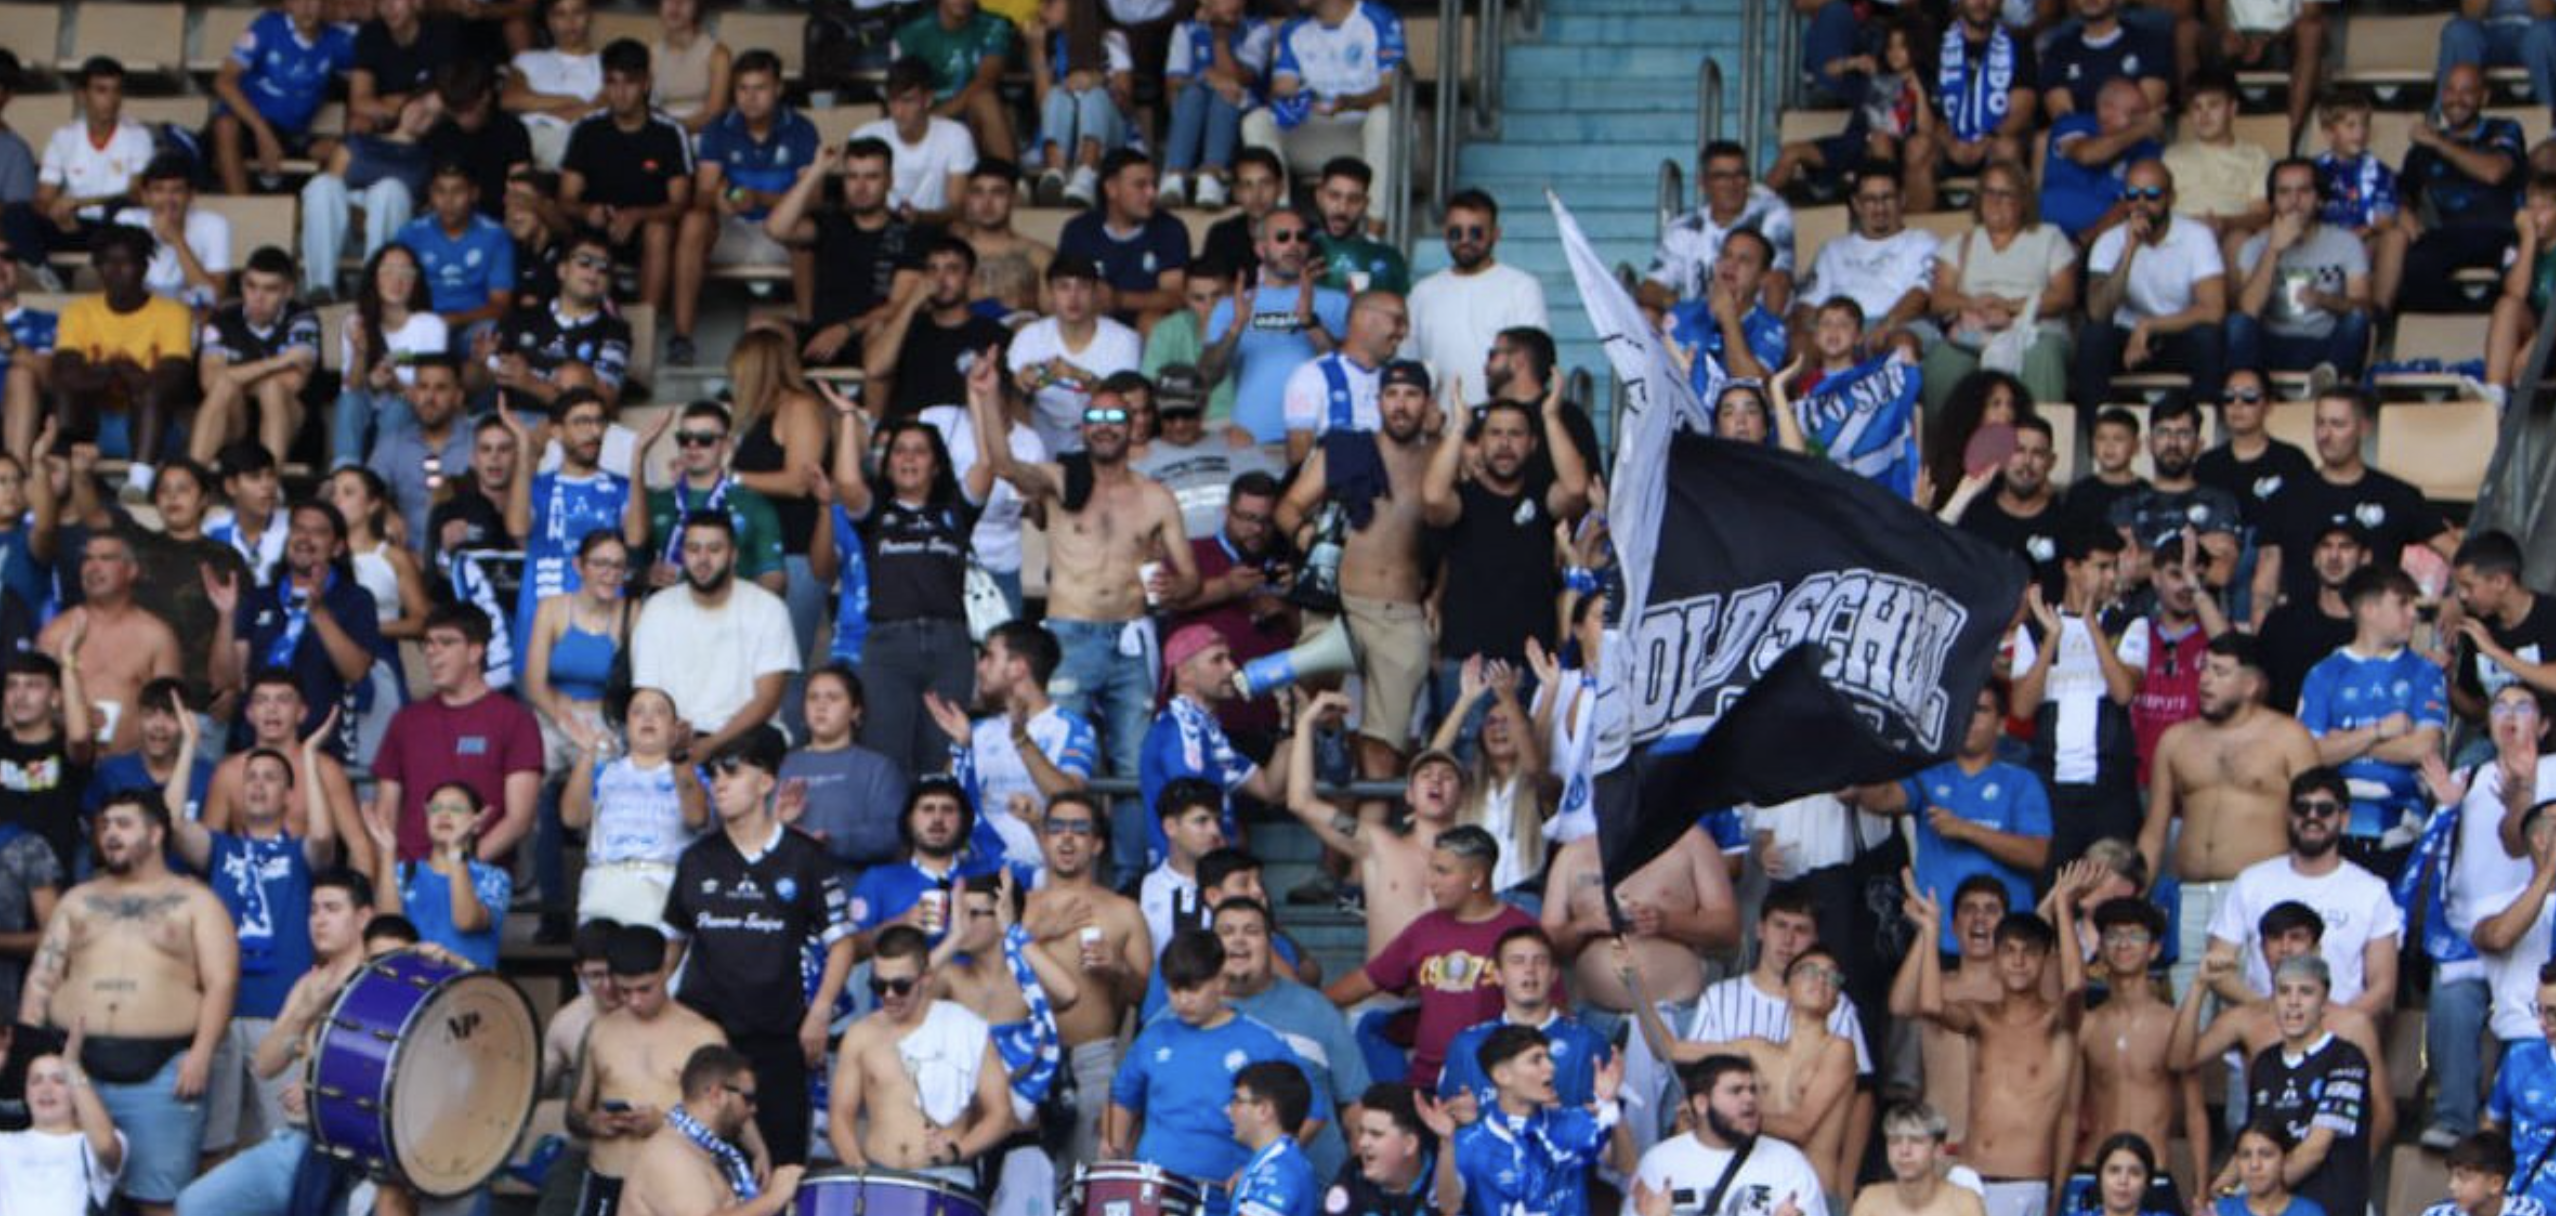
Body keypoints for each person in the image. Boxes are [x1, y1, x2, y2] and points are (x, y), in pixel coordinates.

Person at [16, 792, 238, 1216]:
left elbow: (221, 981)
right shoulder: (78, 900)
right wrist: (31, 1056)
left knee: (158, 1201)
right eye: (105, 827)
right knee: (63, 1194)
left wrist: (202, 1052)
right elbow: (42, 977)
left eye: (123, 824)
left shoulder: (196, 901)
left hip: (164, 1070)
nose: (111, 835)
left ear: (156, 834)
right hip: (75, 1064)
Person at [663, 726, 852, 1166]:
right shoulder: (697, 860)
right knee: (697, 1169)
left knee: (782, 1168)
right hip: (705, 1044)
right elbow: (671, 946)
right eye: (712, 773)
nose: (719, 782)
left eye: (732, 770)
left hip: (779, 1040)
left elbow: (841, 943)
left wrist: (820, 1011)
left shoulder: (804, 857)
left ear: (766, 782)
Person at [162, 704, 336, 1159]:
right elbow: (173, 824)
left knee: (284, 1141)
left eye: (271, 778)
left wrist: (311, 758)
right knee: (213, 1143)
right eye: (250, 777)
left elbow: (324, 837)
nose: (258, 784)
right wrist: (188, 748)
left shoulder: (301, 855)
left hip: (279, 1013)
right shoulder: (219, 849)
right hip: (219, 1012)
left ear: (288, 797)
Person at [2137, 633, 2321, 989]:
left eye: (2220, 672)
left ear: (2250, 684)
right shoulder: (2175, 740)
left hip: (2260, 896)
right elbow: (2154, 831)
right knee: (2187, 1001)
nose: (2205, 679)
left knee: (2255, 1005)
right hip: (2188, 895)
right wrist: (2136, 897)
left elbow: (2312, 824)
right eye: (2204, 669)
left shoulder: (2288, 737)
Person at [827, 391, 990, 777]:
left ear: (936, 465)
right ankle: (892, 840)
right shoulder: (875, 513)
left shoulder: (955, 510)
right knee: (886, 757)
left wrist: (980, 401)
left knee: (944, 756)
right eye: (900, 451)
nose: (909, 458)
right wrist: (850, 419)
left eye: (920, 451)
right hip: (887, 646)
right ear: (887, 464)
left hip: (949, 644)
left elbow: (987, 465)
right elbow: (847, 481)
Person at [1108, 930, 1327, 1216]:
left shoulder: (1261, 1041)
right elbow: (1124, 1097)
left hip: (1222, 1197)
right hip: (1153, 1195)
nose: (1184, 999)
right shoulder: (1153, 1037)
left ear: (1221, 980)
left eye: (1194, 988)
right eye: (1175, 989)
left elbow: (1313, 1111)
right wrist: (1116, 1152)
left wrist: (1259, 1168)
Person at [1625, 938, 1852, 1192]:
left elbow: (1800, 1128)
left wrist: (1717, 1113)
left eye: (1832, 977)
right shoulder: (1756, 1050)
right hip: (1763, 1190)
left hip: (1813, 1192)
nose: (1821, 980)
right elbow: (1669, 1049)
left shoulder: (1838, 1048)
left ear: (1836, 999)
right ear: (1786, 988)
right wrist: (1633, 982)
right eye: (1809, 971)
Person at [1911, 890, 2081, 1216]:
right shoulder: (1980, 1016)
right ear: (1995, 958)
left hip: (2021, 1180)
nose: (2018, 961)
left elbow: (2075, 987)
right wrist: (1931, 930)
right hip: (1966, 1176)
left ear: (2046, 959)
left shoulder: (2057, 1023)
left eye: (2029, 952)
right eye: (2008, 951)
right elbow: (1930, 1005)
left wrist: (2063, 909)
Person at [1324, 825, 1534, 1088]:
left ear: (1477, 877)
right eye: (1431, 869)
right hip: (1426, 1083)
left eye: (1442, 872)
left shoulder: (1521, 931)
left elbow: (1549, 1012)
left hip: (1495, 1085)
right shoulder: (1425, 928)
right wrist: (1307, 1004)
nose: (1430, 881)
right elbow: (1367, 979)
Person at [1846, 685, 2051, 946]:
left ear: (2002, 724)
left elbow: (2036, 854)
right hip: (1938, 938)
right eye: (1962, 709)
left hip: (2007, 945)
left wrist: (1966, 829)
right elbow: (1882, 798)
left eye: (1980, 709)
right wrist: (1860, 755)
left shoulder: (2022, 782)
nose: (1968, 718)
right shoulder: (1929, 774)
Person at [1019, 788, 1153, 1164]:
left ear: (1096, 844)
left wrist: (1117, 968)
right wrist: (1039, 932)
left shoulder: (1124, 911)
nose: (1066, 837)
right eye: (1057, 827)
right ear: (1043, 839)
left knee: (1092, 1179)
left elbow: (1145, 997)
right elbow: (988, 977)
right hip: (1023, 1056)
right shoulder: (1016, 906)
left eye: (1079, 829)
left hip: (1094, 1059)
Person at [2201, 767, 2403, 1014]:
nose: (2312, 816)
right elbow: (2218, 966)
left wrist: (2328, 1029)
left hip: (2338, 1040)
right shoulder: (2251, 881)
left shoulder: (2372, 892)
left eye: (2325, 809)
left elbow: (2383, 988)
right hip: (2260, 1033)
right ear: (2289, 816)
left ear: (2345, 819)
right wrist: (2271, 1012)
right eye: (2302, 808)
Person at [827, 923, 1015, 1180]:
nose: (889, 994)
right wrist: (859, 1171)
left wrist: (958, 1151)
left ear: (925, 978)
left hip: (946, 1176)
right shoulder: (860, 1034)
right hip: (877, 1175)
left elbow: (1001, 1114)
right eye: (879, 985)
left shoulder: (965, 1026)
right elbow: (840, 1116)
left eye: (900, 985)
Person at [1283, 693, 1466, 953]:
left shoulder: (1474, 857)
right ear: (1409, 794)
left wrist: (1466, 699)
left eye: (1447, 776)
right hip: (1384, 992)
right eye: (1426, 775)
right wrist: (1305, 724)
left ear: (1462, 797)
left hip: (1449, 989)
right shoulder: (1375, 844)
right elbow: (1302, 802)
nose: (1436, 780)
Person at [574, 923, 735, 1216]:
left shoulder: (704, 1035)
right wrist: (592, 1122)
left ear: (665, 970)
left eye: (644, 989)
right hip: (607, 1175)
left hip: (675, 1186)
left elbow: (729, 1119)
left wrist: (665, 1124)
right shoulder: (600, 1031)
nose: (635, 1000)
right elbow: (574, 1113)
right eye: (625, 991)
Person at [668, 52, 816, 368]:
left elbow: (812, 198)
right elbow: (703, 193)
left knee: (804, 228)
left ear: (778, 88)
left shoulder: (801, 128)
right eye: (742, 89)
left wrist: (760, 199)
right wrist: (721, 197)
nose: (750, 98)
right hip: (732, 229)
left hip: (780, 235)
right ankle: (682, 337)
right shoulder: (719, 127)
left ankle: (808, 331)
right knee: (694, 220)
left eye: (760, 88)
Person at [2296, 564, 2447, 873]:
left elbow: (2422, 749)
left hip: (2402, 832)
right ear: (2369, 609)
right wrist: (2379, 730)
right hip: (2332, 831)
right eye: (2402, 603)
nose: (2413, 615)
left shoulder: (2425, 672)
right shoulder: (2323, 673)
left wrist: (2347, 741)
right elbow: (2309, 755)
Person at [2010, 530, 2141, 874]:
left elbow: (2124, 692)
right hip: (2051, 787)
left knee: (2112, 888)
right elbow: (2022, 707)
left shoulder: (2129, 623)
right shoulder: (2036, 628)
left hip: (2110, 787)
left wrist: (2092, 626)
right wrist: (2052, 639)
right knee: (2052, 886)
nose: (2110, 576)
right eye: (2101, 566)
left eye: (2114, 567)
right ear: (2071, 567)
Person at [371, 603, 543, 862]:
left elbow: (519, 819)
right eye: (427, 643)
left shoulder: (515, 719)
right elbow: (386, 813)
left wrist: (458, 868)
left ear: (475, 652)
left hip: (479, 873)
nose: (432, 652)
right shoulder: (406, 720)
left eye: (446, 642)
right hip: (409, 873)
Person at [629, 510, 798, 765]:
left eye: (714, 549)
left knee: (762, 744)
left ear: (733, 556)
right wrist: (674, 734)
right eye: (694, 549)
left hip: (745, 734)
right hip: (676, 735)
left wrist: (711, 743)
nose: (703, 559)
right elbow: (648, 693)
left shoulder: (768, 609)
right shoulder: (658, 608)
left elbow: (767, 699)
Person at [764, 140, 927, 381]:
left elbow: (900, 305)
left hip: (868, 334)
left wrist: (846, 329)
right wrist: (817, 171)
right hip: (820, 335)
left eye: (871, 177)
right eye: (852, 177)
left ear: (890, 180)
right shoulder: (829, 222)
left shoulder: (910, 233)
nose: (860, 187)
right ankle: (772, 415)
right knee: (764, 328)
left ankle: (874, 420)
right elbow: (776, 229)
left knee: (880, 331)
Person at [2074, 158, 2228, 412]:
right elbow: (2098, 312)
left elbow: (2213, 309)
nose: (2141, 204)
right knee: (2093, 338)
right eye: (2133, 195)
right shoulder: (2110, 241)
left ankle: (2204, 433)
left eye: (2152, 194)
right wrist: (2129, 250)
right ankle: (2098, 435)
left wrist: (2148, 325)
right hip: (2127, 344)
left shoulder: (2196, 236)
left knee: (2207, 337)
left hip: (2177, 335)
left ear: (2171, 198)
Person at [1920, 161, 2075, 408]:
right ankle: (1945, 444)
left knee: (2043, 357)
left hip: (2034, 331)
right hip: (1976, 332)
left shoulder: (2049, 237)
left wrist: (2009, 307)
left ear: (2023, 199)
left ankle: (2040, 440)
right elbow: (1939, 299)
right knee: (1943, 360)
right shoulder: (1962, 242)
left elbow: (2063, 295)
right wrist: (1976, 304)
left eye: (2006, 193)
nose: (1996, 200)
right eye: (1989, 192)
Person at [2226, 955, 2372, 1216]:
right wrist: (2219, 1193)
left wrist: (2247, 1202)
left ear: (2324, 1002)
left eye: (2305, 991)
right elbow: (2253, 1142)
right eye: (2283, 991)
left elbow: (2314, 1150)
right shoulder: (2264, 1062)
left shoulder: (2347, 1058)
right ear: (2273, 1001)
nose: (2293, 1002)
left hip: (2332, 1207)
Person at [2063, 894, 2188, 1190]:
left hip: (2152, 1170)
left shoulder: (2174, 1024)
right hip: (2091, 1168)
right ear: (2101, 948)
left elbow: (2195, 1114)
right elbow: (2069, 1113)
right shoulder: (2088, 1024)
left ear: (2155, 949)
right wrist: (2059, 1186)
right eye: (2113, 936)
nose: (2123, 944)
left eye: (2135, 935)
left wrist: (2199, 1192)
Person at [561, 41, 694, 316]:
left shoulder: (669, 133)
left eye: (629, 83)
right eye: (612, 82)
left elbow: (680, 203)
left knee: (659, 231)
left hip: (647, 232)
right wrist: (589, 211)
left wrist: (637, 216)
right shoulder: (587, 129)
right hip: (596, 230)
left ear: (646, 84)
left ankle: (646, 323)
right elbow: (565, 198)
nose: (620, 93)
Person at [1198, 208, 1348, 444]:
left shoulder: (1336, 301)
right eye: (1282, 237)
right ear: (1260, 248)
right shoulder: (1232, 306)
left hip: (1320, 441)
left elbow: (1347, 370)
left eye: (1301, 237)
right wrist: (1235, 328)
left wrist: (1311, 323)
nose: (1293, 244)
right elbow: (1206, 377)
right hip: (1251, 441)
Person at [53, 225, 191, 481]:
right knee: (64, 385)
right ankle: (61, 473)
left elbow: (174, 379)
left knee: (152, 394)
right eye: (107, 263)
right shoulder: (78, 312)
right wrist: (118, 371)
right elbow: (67, 373)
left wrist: (105, 372)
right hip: (96, 425)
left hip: (157, 429)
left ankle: (139, 483)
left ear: (144, 268)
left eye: (125, 263)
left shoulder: (173, 313)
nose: (115, 272)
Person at [564, 686, 702, 930]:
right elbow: (573, 817)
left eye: (659, 712)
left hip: (665, 885)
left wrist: (681, 759)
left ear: (674, 728)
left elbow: (697, 817)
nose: (648, 718)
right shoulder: (604, 772)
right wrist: (588, 755)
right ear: (626, 726)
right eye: (638, 712)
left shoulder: (690, 773)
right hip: (605, 884)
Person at [1626, 1054, 1829, 1216]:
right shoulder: (1659, 1163)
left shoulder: (1788, 1162)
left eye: (1753, 1090)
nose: (1749, 1098)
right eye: (1736, 1091)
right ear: (1701, 1104)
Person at [619, 1045, 806, 1216]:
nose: (753, 1109)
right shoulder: (669, 1155)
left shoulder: (705, 1151)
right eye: (748, 1098)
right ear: (716, 1095)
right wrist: (772, 1199)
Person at [2396, 65, 2525, 312]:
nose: (2456, 99)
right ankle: (2447, 332)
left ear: (2484, 97)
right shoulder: (2422, 149)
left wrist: (2438, 142)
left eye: (2467, 91)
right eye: (2450, 90)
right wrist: (2403, 211)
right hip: (2452, 235)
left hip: (2504, 232)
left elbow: (2494, 172)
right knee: (2415, 264)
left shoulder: (2504, 128)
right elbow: (2402, 191)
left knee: (2523, 276)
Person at [2230, 158, 2372, 381]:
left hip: (2324, 344)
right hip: (2270, 344)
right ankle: (2249, 392)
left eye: (2304, 191)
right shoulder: (2255, 246)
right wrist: (2274, 249)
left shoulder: (2346, 243)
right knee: (2237, 324)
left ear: (2319, 199)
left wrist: (2325, 300)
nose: (2294, 201)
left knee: (2357, 321)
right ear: (2273, 200)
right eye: (2284, 192)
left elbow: (2363, 308)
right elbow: (2248, 310)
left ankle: (2327, 381)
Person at [627, 402, 787, 596]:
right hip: (667, 615)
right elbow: (629, 560)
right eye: (685, 439)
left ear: (726, 445)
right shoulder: (655, 500)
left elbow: (773, 576)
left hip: (730, 618)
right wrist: (645, 575)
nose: (693, 445)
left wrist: (742, 611)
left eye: (705, 439)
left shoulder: (754, 504)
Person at [7, 57, 154, 267]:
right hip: (74, 225)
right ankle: (46, 275)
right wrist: (56, 212)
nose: (111, 99)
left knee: (121, 208)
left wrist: (82, 203)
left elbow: (137, 193)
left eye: (117, 91)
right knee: (16, 214)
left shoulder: (138, 136)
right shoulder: (64, 137)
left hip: (115, 226)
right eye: (102, 90)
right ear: (82, 95)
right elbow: (43, 198)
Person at [209, 0, 355, 196]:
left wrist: (346, 13)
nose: (306, 7)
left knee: (341, 152)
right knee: (225, 125)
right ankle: (242, 211)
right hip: (250, 126)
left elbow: (375, 64)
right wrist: (262, 132)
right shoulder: (268, 26)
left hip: (290, 134)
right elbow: (223, 82)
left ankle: (304, 218)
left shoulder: (337, 41)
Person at [1796, 165, 1938, 360]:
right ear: (1856, 204)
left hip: (1899, 324)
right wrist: (1818, 333)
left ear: (1902, 199)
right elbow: (1809, 305)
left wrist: (1886, 326)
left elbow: (1920, 294)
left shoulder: (1922, 241)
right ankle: (1809, 391)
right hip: (1840, 326)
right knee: (1800, 343)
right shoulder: (1833, 249)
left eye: (1887, 198)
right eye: (1870, 199)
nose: (1879, 207)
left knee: (1901, 343)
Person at [777, 665, 909, 875]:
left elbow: (892, 834)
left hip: (851, 891)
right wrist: (779, 825)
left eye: (833, 697)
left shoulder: (878, 768)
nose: (821, 705)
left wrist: (832, 841)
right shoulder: (782, 765)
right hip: (784, 887)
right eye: (813, 697)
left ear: (855, 711)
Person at [0, 1024, 128, 1214]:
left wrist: (71, 1065)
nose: (46, 1089)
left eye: (59, 1080)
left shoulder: (90, 1144)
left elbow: (107, 1147)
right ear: (26, 1094)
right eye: (36, 1081)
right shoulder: (6, 1143)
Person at [878, 236, 1011, 418]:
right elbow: (875, 369)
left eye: (952, 269)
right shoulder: (906, 326)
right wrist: (912, 301)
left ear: (970, 279)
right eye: (932, 270)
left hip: (967, 438)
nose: (940, 279)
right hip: (910, 436)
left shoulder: (993, 333)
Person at [1159, 0, 1270, 210]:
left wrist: (1219, 39)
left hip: (1239, 111)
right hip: (1192, 110)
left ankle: (1213, 176)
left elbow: (1241, 78)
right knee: (1192, 93)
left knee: (1225, 93)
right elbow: (1173, 84)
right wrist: (1207, 77)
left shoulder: (1257, 29)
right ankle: (1175, 176)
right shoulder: (1186, 29)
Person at [2446, 531, 2556, 726]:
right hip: (2498, 741)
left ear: (2500, 582)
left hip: (2549, 738)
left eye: (2469, 586)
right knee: (2469, 758)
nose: (2462, 596)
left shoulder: (2549, 615)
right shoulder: (2476, 626)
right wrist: (2444, 682)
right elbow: (2479, 712)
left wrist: (2494, 652)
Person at [400, 163, 515, 346]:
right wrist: (429, 323)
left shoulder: (496, 236)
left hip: (473, 325)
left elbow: (500, 305)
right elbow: (399, 293)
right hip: (423, 326)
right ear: (430, 194)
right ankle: (402, 367)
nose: (448, 200)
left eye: (457, 191)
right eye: (440, 191)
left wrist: (456, 318)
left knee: (491, 335)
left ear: (474, 194)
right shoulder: (410, 234)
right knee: (401, 351)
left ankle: (475, 371)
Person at [2038, 78, 2165, 242]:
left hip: (2102, 240)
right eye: (2134, 113)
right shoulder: (2072, 124)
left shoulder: (2145, 147)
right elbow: (2087, 155)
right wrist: (2144, 129)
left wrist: (2084, 241)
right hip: (2047, 230)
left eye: (2144, 114)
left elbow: (2130, 203)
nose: (2141, 119)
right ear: (2107, 111)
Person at [893, 0, 1020, 162]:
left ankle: (1009, 181)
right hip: (926, 114)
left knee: (984, 99)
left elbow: (985, 81)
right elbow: (902, 88)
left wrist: (940, 116)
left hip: (971, 115)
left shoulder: (994, 25)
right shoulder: (912, 33)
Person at [860, 59, 980, 224]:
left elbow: (957, 206)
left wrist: (921, 218)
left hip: (937, 229)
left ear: (928, 99)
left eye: (907, 101)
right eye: (893, 101)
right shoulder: (866, 135)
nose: (899, 111)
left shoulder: (956, 135)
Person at [114, 155, 231, 309]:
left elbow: (214, 297)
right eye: (158, 190)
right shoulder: (127, 220)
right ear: (145, 196)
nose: (167, 199)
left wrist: (177, 240)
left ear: (190, 196)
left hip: (191, 314)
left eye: (177, 190)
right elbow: (118, 287)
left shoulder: (214, 225)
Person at [2484, 963, 2556, 1207]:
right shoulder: (2519, 1057)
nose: (2543, 1022)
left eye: (2554, 1012)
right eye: (2539, 1010)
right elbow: (2492, 1122)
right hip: (2521, 1204)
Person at [1851, 1103, 1986, 1216]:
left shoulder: (1963, 1205)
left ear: (1938, 1150)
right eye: (1895, 1141)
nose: (1904, 1151)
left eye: (1916, 1141)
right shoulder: (1870, 1202)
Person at [2417, 1134, 2540, 1216]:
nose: (2452, 1186)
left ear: (2495, 1184)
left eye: (2462, 1177)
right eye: (2452, 1177)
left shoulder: (2527, 1211)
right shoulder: (2438, 1213)